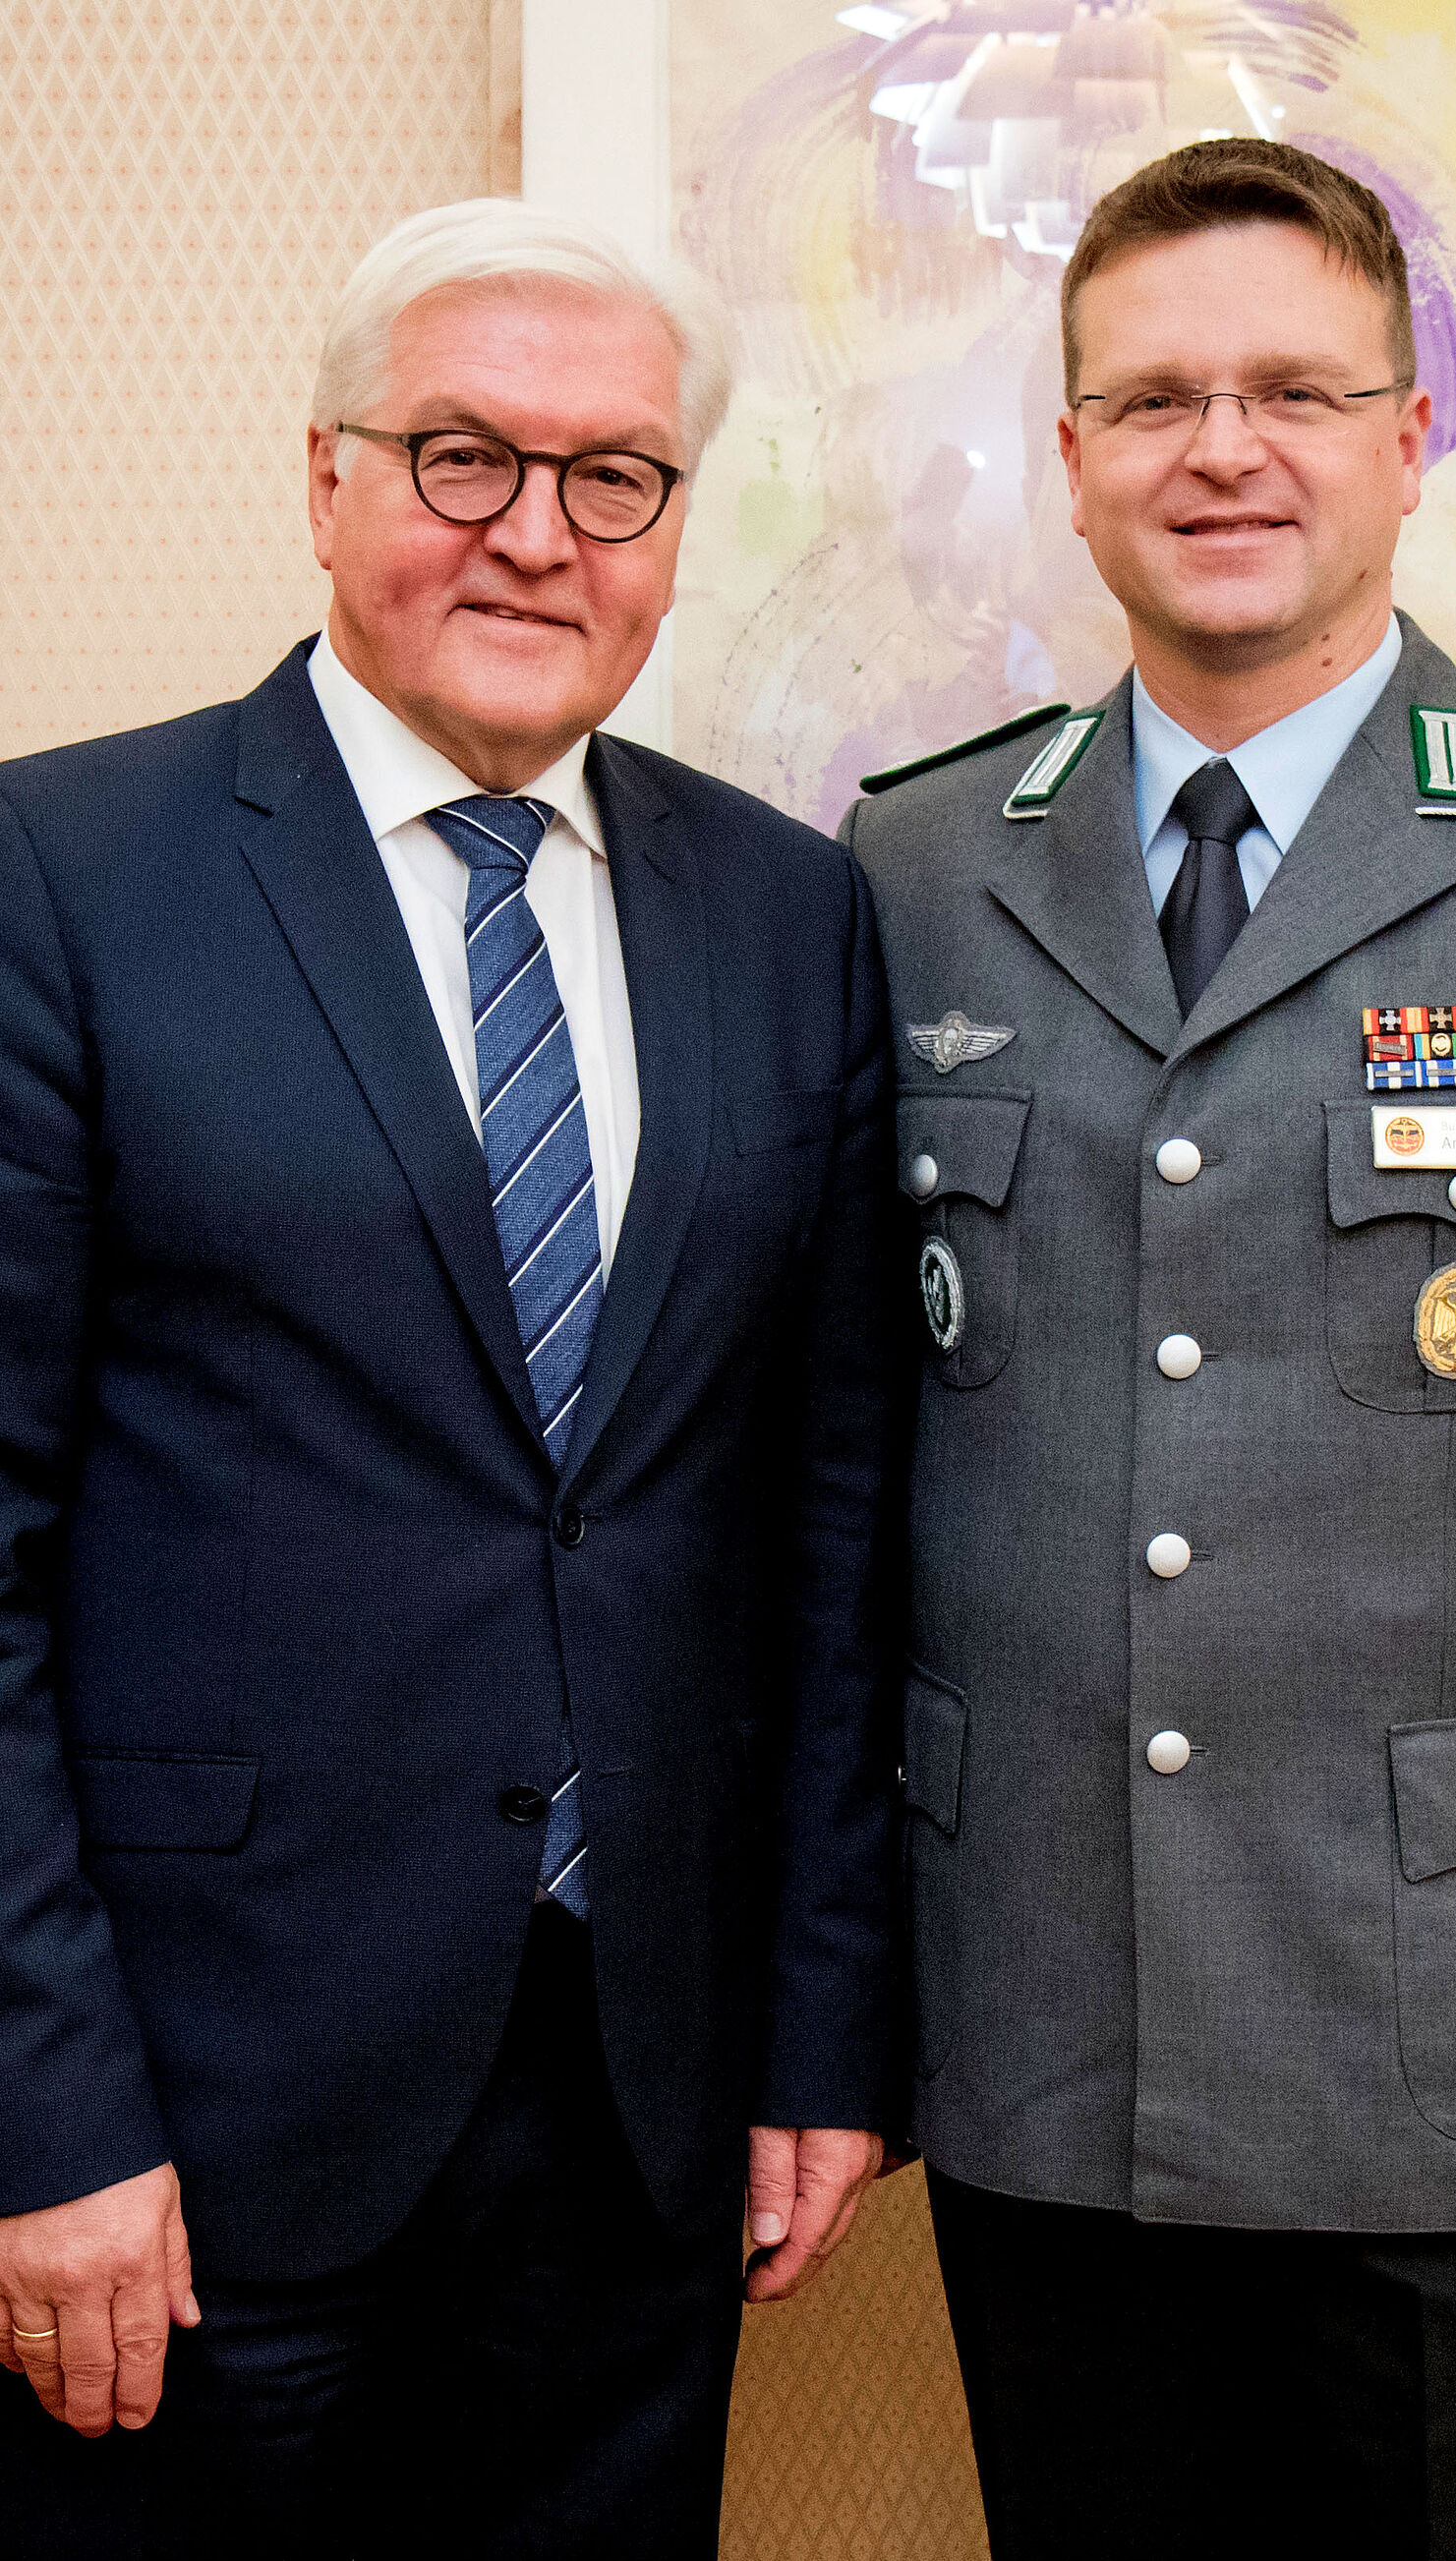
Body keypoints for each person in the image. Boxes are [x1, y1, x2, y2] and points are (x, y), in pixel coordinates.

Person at [845, 140, 1456, 2559]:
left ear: (1411, 438)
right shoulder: (909, 865)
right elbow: (846, 1462)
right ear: (1072, 466)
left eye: (1297, 387)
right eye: (1157, 397)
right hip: (1037, 2038)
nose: (1225, 448)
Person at [0, 198, 902, 2558]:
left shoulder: (788, 914)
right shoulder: (64, 872)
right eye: (460, 455)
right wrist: (45, 2115)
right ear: (326, 480)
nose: (536, 531)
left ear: (676, 530)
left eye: (613, 475)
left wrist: (816, 2041)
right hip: (198, 2121)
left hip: (639, 2112)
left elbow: (818, 1525)